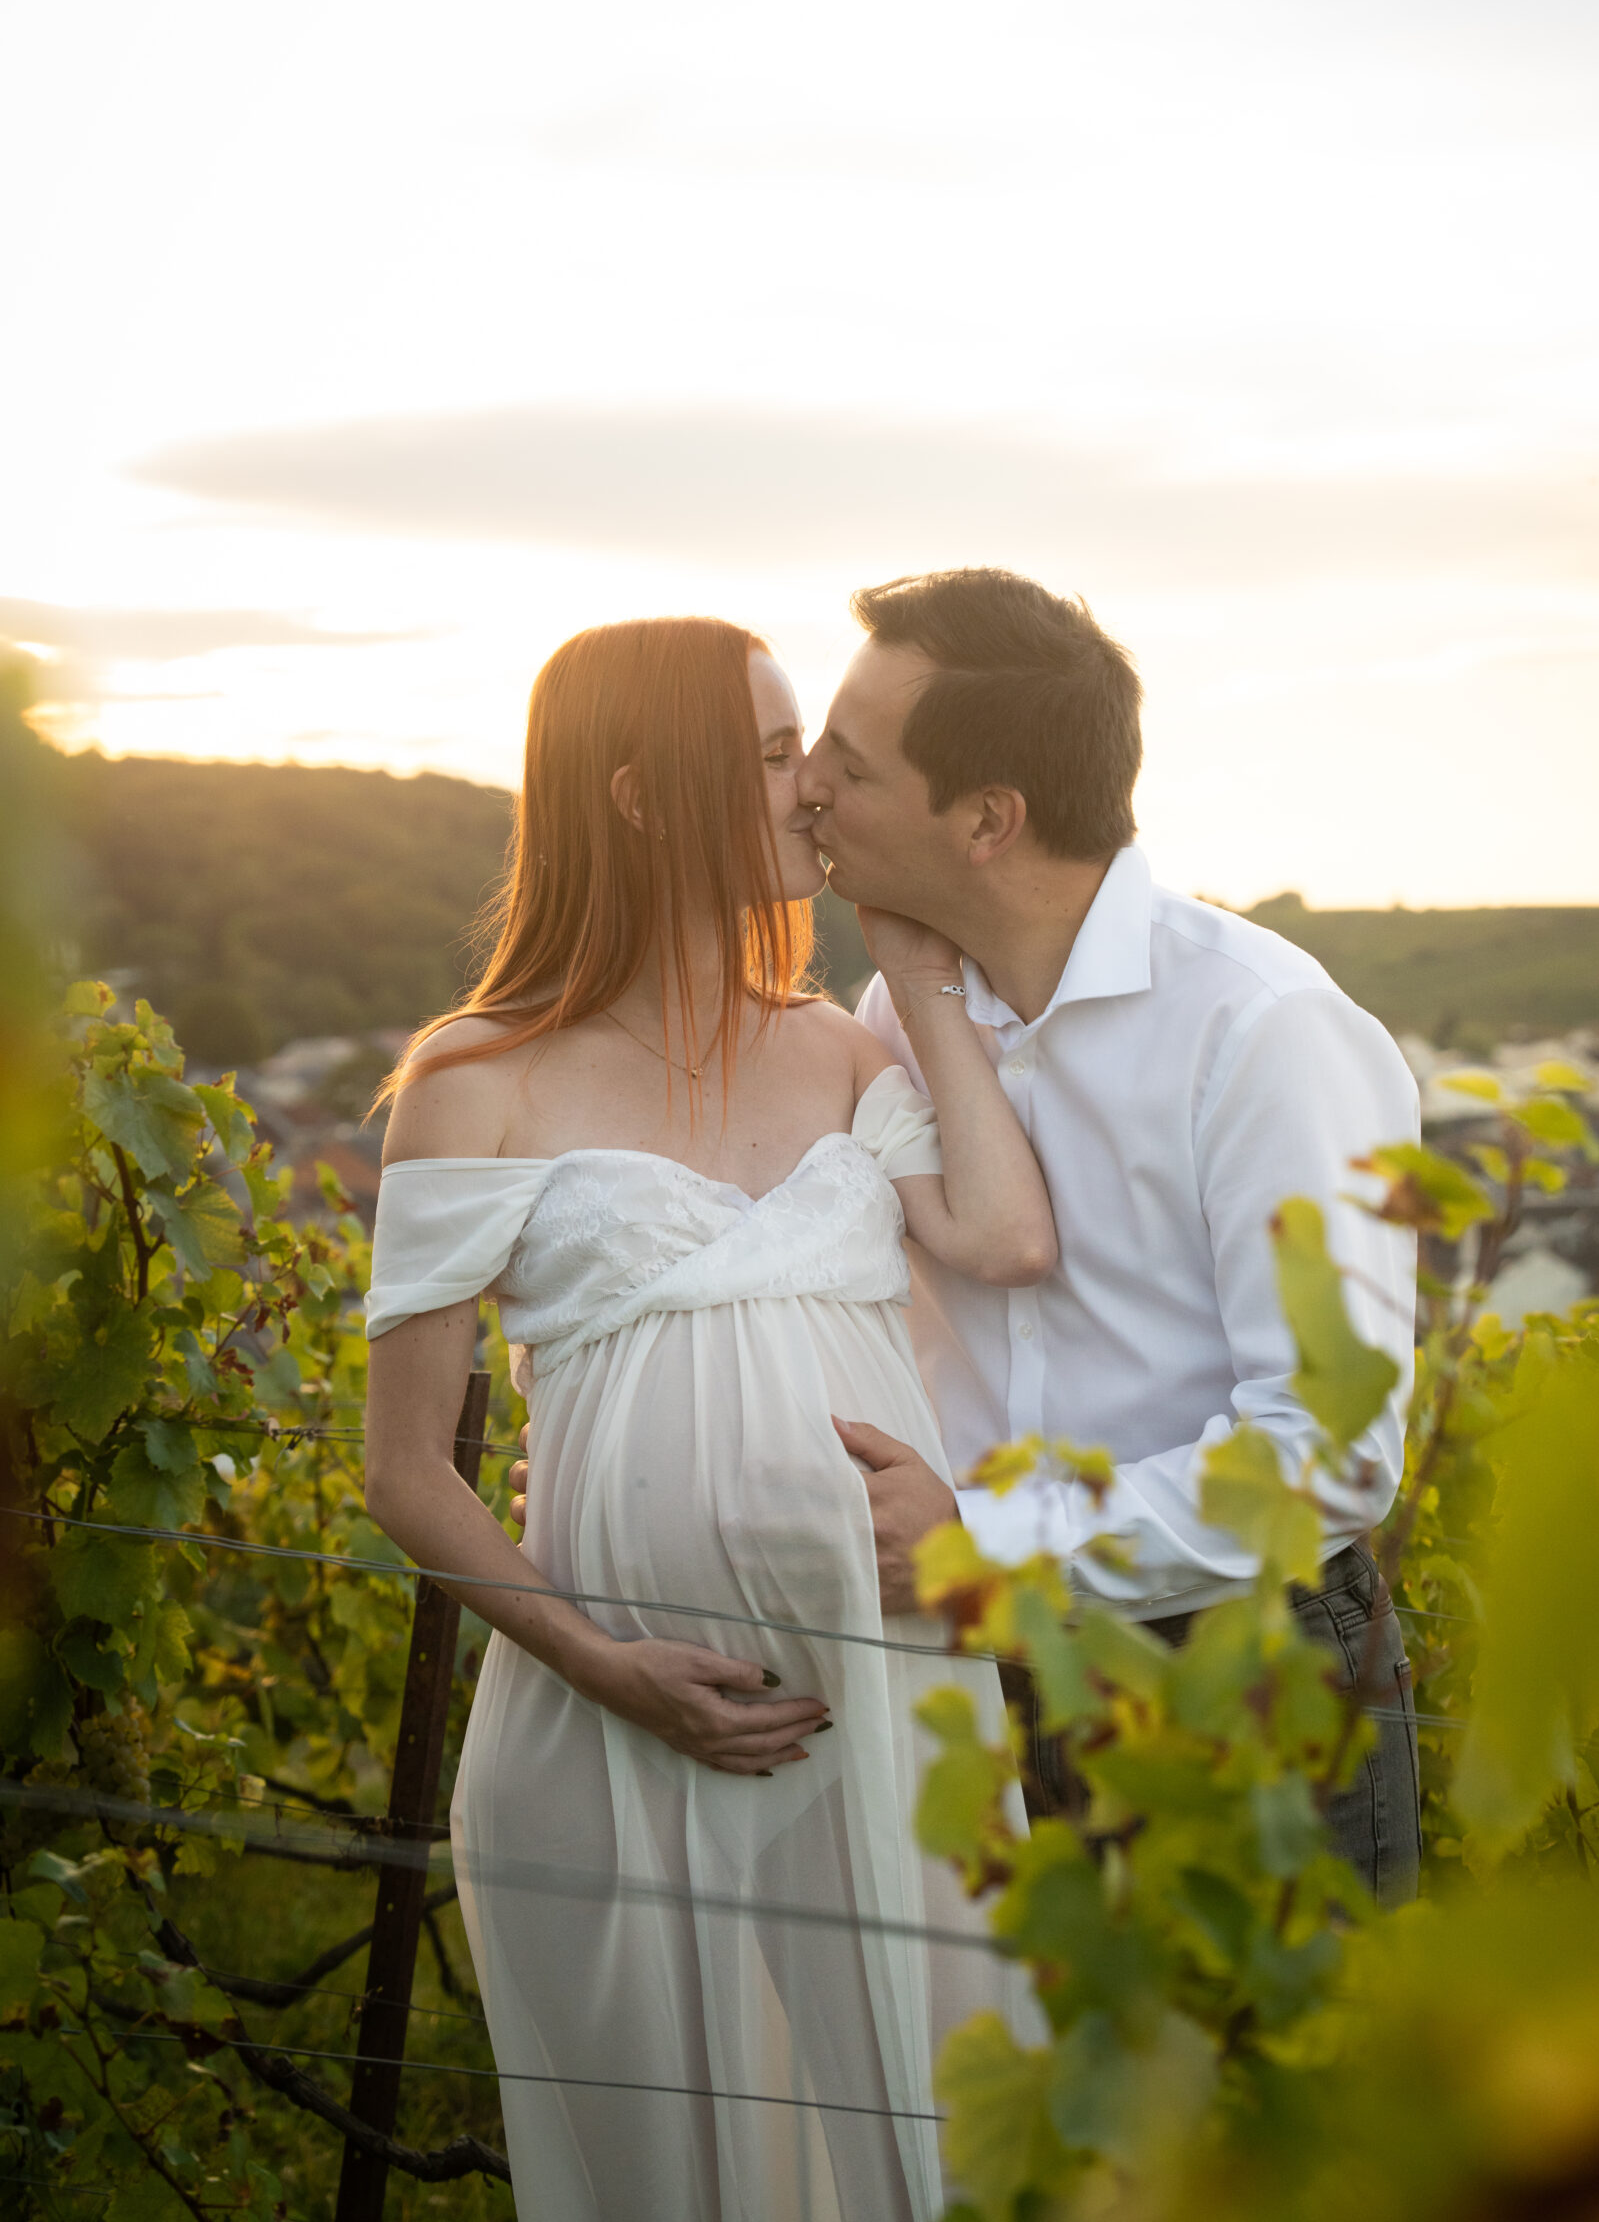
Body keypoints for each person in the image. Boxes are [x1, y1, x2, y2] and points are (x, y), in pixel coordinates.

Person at [361, 615, 1053, 2222]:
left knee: (941, 2158)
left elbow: (1006, 1237)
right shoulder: (478, 1079)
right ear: (640, 795)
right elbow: (404, 1474)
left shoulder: (834, 1049)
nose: (812, 784)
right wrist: (614, 1670)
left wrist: (917, 970)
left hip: (898, 1712)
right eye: (765, 752)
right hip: (626, 1732)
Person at [795, 568, 1423, 1900]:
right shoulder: (899, 1017)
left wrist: (981, 1540)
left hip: (1242, 1673)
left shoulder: (1260, 1032)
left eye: (848, 765)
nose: (806, 786)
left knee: (1257, 2102)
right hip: (974, 1683)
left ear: (985, 819)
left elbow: (1327, 1457)